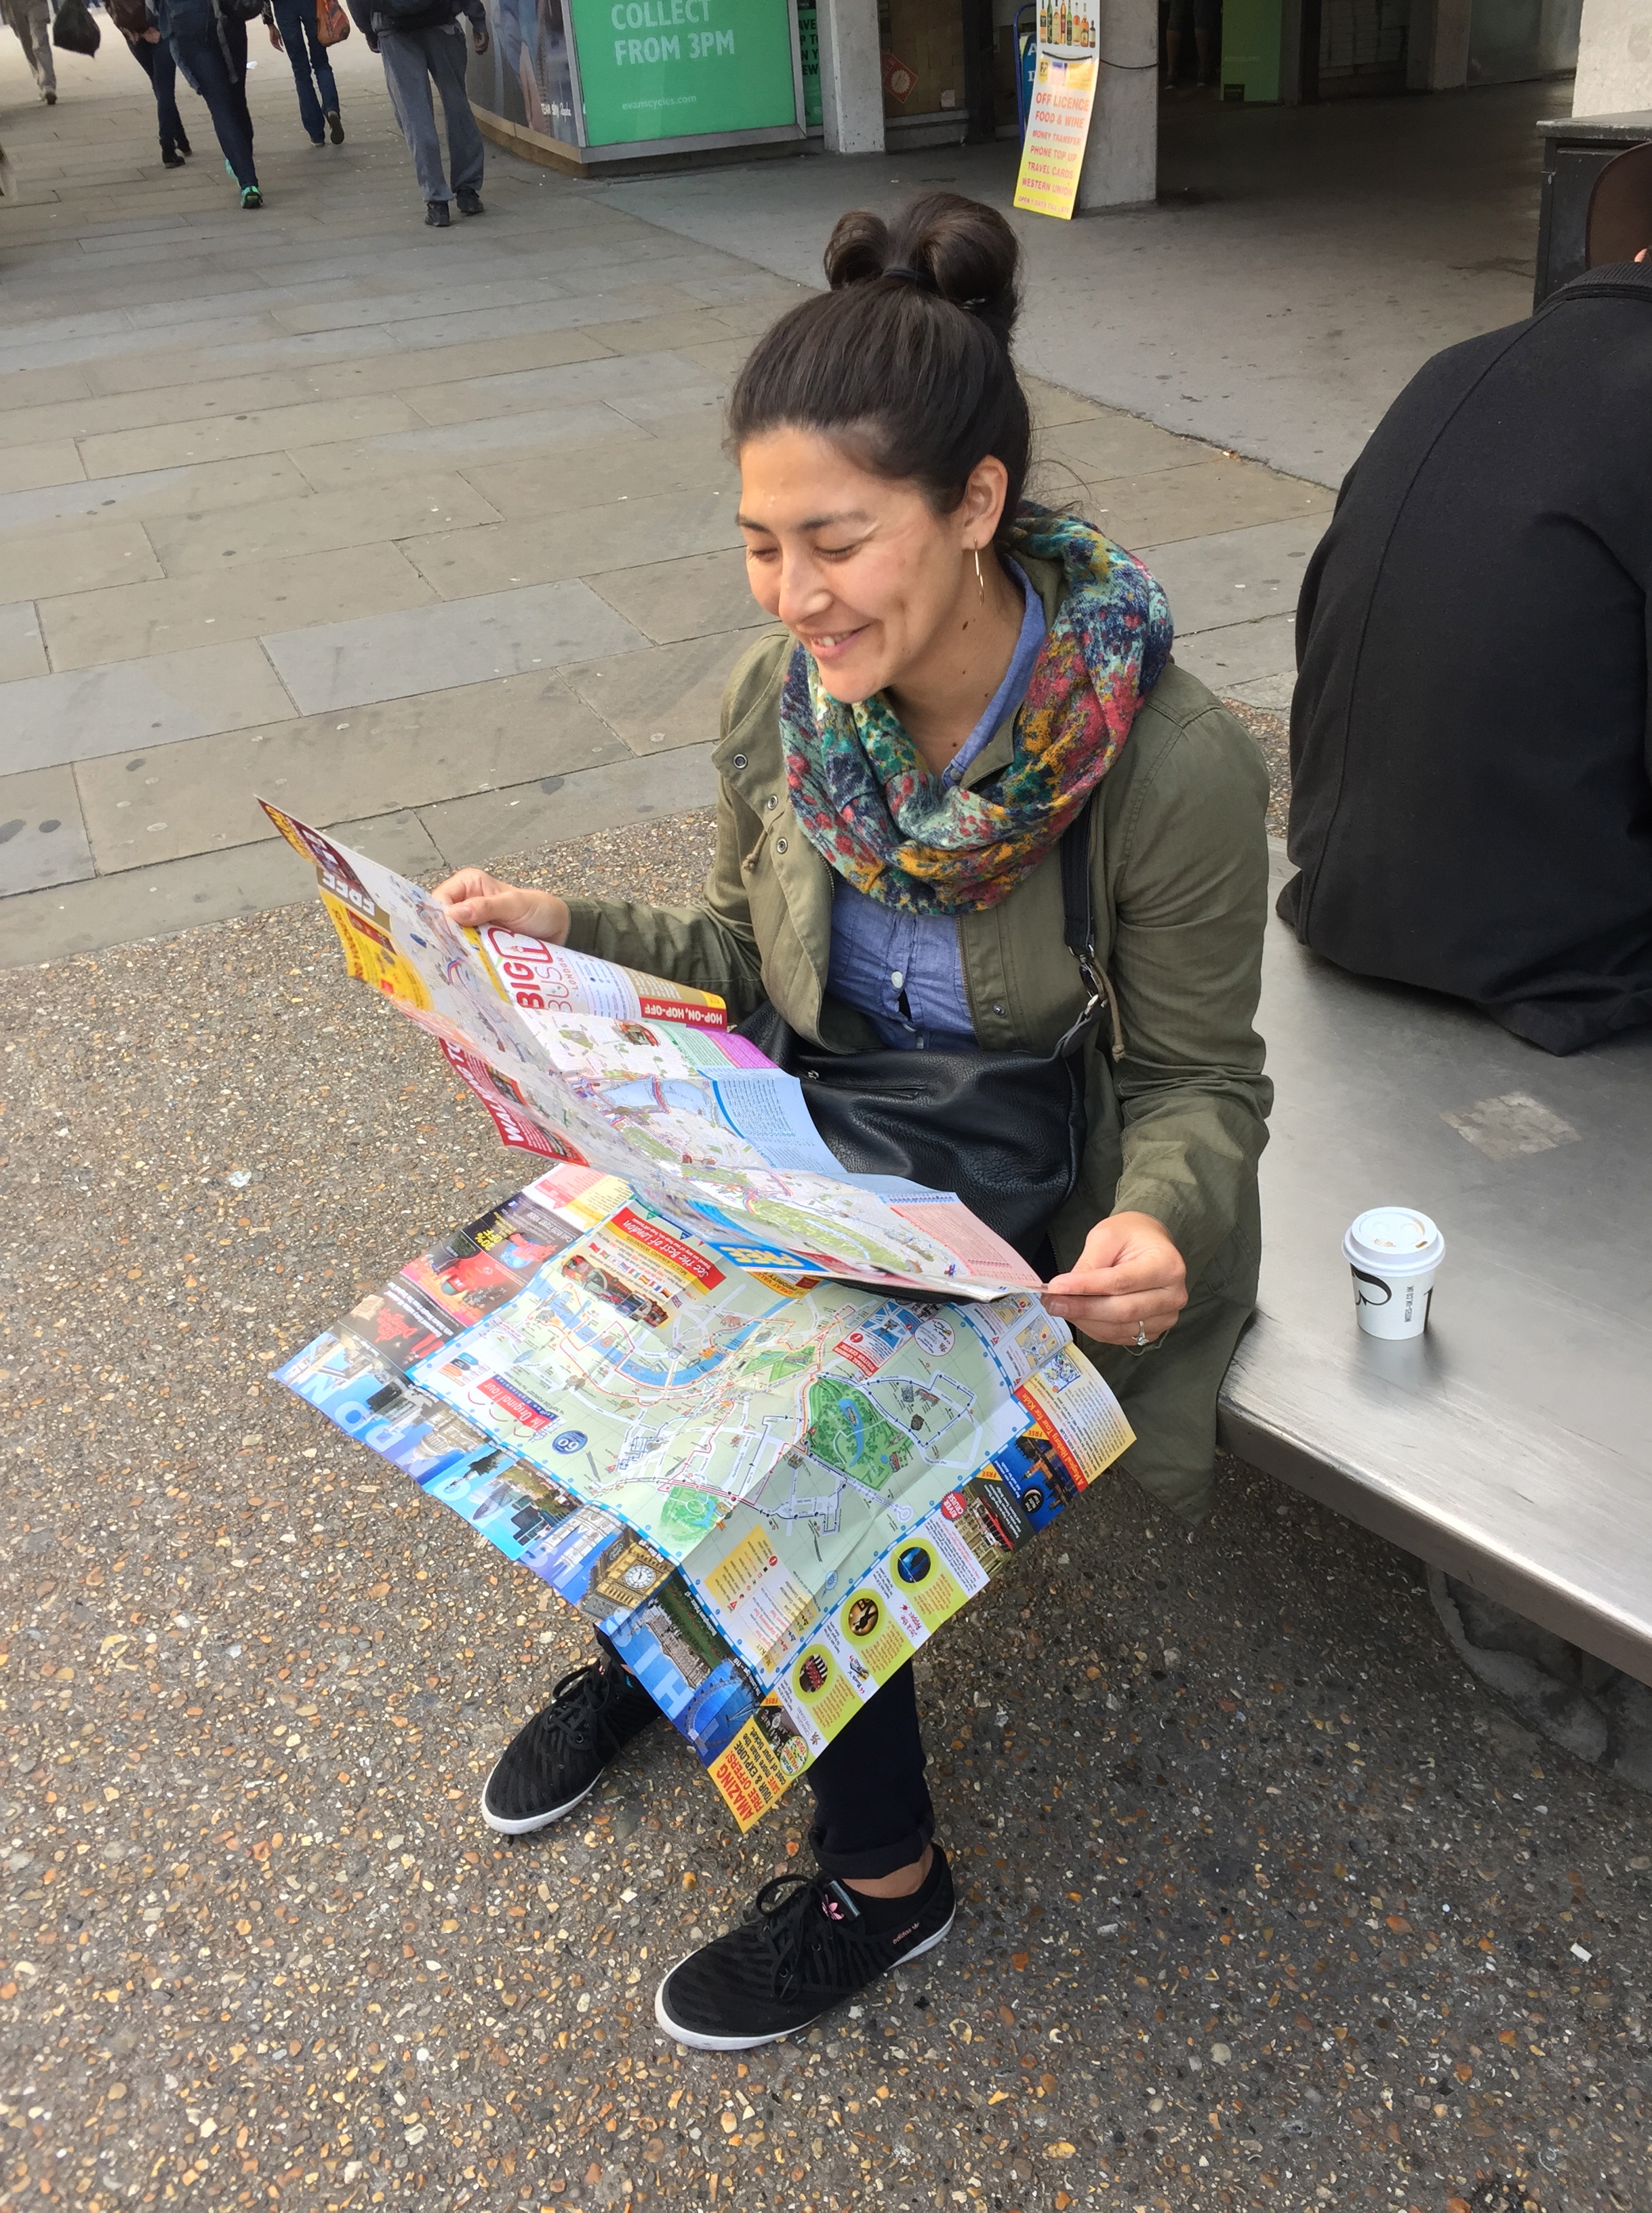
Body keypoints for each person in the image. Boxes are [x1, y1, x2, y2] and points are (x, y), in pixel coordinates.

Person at [433, 192, 1272, 2051]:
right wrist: (559, 928)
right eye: (759, 545)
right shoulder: (788, 701)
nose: (793, 595)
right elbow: (749, 953)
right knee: (595, 1309)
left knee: (800, 1440)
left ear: (974, 505)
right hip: (804, 1131)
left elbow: (1202, 1080)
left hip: (1012, 1177)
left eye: (835, 541)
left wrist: (1162, 1220)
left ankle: (886, 1882)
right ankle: (668, 1648)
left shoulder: (1166, 763)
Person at [1280, 214, 1652, 1055]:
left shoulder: (1455, 364)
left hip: (1345, 898)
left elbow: (1322, 627)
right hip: (1568, 956)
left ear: (1640, 248)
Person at [346, 0, 488, 227]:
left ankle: (437, 202)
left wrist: (368, 28)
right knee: (457, 106)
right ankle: (468, 192)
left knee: (415, 116)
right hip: (442, 21)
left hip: (394, 30)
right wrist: (477, 18)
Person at [154, 0, 262, 206]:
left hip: (188, 25)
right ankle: (241, 163)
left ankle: (247, 181)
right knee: (238, 100)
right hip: (228, 19)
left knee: (220, 106)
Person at [108, 0, 193, 167]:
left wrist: (131, 30)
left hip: (133, 35)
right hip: (159, 27)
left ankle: (181, 140)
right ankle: (167, 148)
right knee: (165, 89)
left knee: (160, 88)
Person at [262, 0, 344, 146]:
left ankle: (316, 133)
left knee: (300, 71)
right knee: (321, 63)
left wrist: (269, 23)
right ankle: (331, 108)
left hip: (284, 7)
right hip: (311, 5)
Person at [2, 0, 57, 103]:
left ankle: (47, 85)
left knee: (39, 41)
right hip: (12, 5)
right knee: (28, 43)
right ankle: (44, 82)